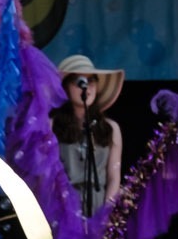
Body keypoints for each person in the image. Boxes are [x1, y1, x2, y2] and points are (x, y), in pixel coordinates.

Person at [52, 54, 124, 218]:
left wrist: (106, 215)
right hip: (63, 207)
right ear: (66, 87)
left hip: (98, 207)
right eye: (79, 82)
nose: (86, 87)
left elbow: (113, 177)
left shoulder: (110, 128)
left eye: (91, 80)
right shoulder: (52, 126)